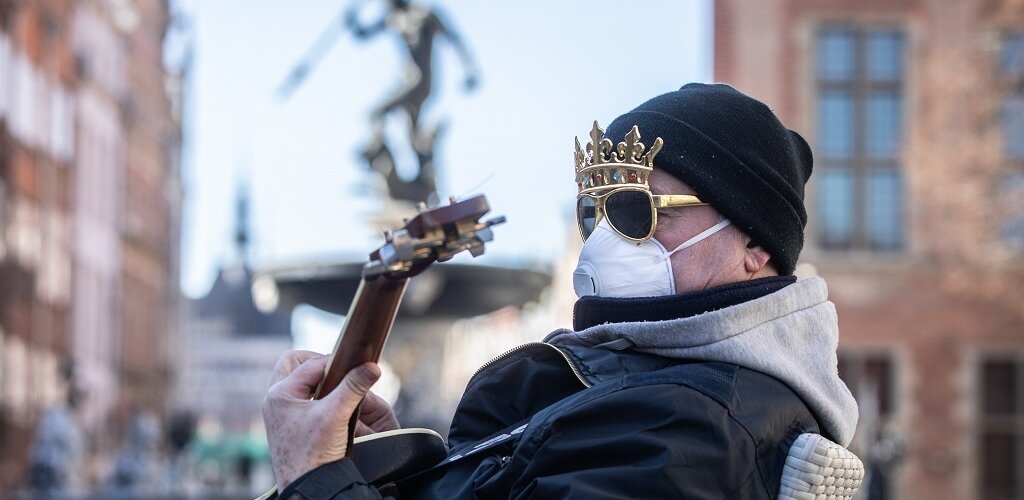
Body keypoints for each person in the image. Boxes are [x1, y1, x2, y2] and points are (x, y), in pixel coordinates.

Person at [261, 83, 859, 499]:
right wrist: (393, 463)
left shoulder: (682, 424)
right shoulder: (649, 383)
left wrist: (311, 478)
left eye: (633, 209)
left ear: (754, 245)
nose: (603, 237)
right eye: (591, 214)